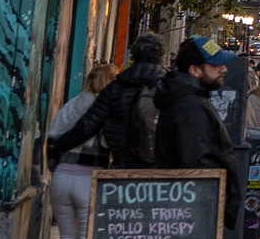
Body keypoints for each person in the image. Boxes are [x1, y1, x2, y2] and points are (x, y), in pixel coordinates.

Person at [43, 32, 164, 171]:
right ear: (161, 58)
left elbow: (89, 124)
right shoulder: (168, 87)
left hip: (122, 168)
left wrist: (59, 147)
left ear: (133, 57)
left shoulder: (116, 87)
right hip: (160, 175)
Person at [45, 67, 106, 239]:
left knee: (67, 238)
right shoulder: (103, 108)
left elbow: (51, 141)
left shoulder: (71, 105)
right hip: (87, 179)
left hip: (61, 178)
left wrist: (55, 168)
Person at [154, 39, 236, 172]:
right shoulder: (190, 108)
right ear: (195, 70)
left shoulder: (189, 101)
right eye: (215, 65)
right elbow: (196, 165)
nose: (224, 69)